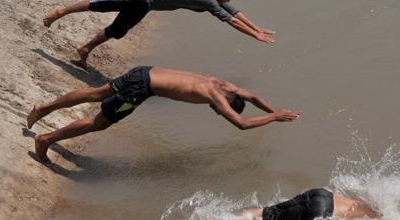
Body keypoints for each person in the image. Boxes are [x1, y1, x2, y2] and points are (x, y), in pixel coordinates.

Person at [26, 66, 299, 164]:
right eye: (219, 111)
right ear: (224, 104)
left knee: (96, 93)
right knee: (99, 123)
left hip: (143, 71)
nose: (216, 111)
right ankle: (46, 139)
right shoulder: (217, 96)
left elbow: (251, 96)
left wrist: (274, 109)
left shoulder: (223, 84)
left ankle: (43, 108)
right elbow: (240, 123)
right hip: (141, 88)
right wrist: (274, 118)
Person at [42, 0, 274, 67]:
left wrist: (257, 27)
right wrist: (255, 36)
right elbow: (230, 21)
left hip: (147, 4)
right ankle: (62, 11)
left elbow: (234, 12)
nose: (228, 0)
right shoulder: (207, 0)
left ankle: (84, 49)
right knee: (103, 3)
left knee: (118, 30)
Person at [203, 188, 380, 220]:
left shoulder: (371, 200)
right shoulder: (379, 217)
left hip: (322, 193)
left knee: (268, 211)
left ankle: (218, 219)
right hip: (321, 211)